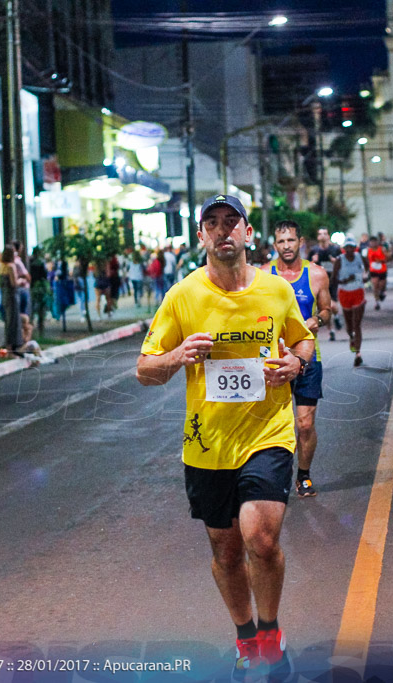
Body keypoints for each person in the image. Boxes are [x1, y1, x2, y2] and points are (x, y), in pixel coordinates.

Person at [137, 194, 314, 678]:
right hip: (208, 446)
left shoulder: (275, 291)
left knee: (259, 537)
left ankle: (271, 630)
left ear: (248, 233)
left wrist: (296, 363)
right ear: (201, 236)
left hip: (268, 434)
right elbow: (144, 370)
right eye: (212, 224)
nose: (222, 231)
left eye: (231, 223)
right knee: (227, 551)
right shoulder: (183, 296)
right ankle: (246, 637)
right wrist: (177, 357)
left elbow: (303, 338)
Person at [262, 220, 332, 498]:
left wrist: (317, 319)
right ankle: (272, 479)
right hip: (274, 359)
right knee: (271, 425)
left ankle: (303, 476)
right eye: (281, 242)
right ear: (274, 245)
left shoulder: (316, 274)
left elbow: (327, 308)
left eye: (291, 240)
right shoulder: (262, 275)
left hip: (307, 358)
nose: (286, 246)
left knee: (304, 423)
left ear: (300, 241)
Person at [333, 236, 368, 367]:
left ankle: (358, 354)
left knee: (357, 324)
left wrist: (365, 277)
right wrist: (345, 281)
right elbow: (334, 279)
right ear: (343, 249)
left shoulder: (360, 257)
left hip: (358, 291)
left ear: (354, 248)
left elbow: (367, 270)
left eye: (351, 247)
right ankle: (351, 337)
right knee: (349, 325)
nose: (349, 250)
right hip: (344, 293)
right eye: (346, 247)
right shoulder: (339, 260)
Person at [308, 227, 343, 340]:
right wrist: (313, 261)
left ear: (328, 236)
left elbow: (341, 263)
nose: (322, 236)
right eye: (320, 234)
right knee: (325, 307)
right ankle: (331, 331)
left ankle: (336, 317)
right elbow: (307, 266)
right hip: (320, 282)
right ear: (318, 237)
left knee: (333, 306)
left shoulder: (335, 249)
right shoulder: (314, 250)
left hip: (332, 280)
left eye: (324, 233)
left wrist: (335, 262)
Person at [0, 247, 20, 350]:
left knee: (7, 319)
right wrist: (21, 281)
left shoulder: (1, 267)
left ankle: (8, 343)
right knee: (13, 320)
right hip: (12, 295)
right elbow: (14, 283)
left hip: (4, 295)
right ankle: (12, 344)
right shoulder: (11, 266)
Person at [366, 235, 389, 310]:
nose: (373, 243)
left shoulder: (382, 249)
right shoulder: (368, 250)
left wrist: (380, 260)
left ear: (377, 242)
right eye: (371, 242)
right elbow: (366, 260)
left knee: (381, 285)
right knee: (375, 285)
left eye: (374, 242)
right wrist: (366, 270)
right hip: (373, 270)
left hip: (382, 270)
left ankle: (382, 292)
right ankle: (377, 302)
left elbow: (386, 258)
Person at [11, 240, 32, 316]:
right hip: (22, 288)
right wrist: (26, 278)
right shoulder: (17, 261)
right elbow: (27, 276)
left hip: (18, 288)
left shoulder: (13, 261)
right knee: (23, 314)